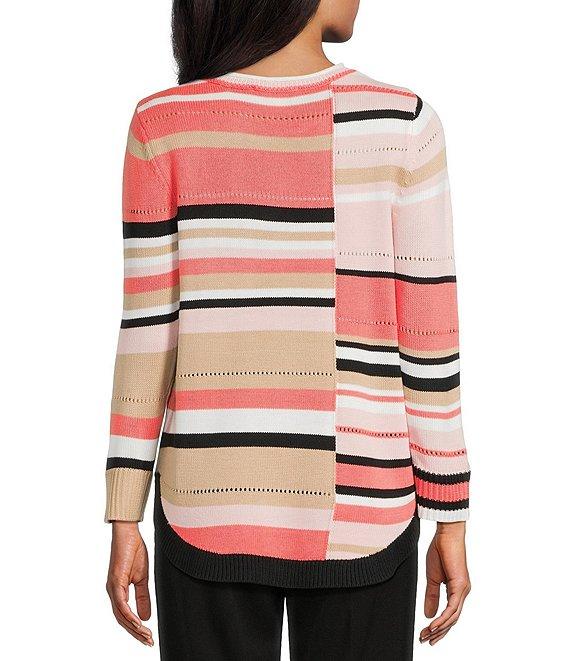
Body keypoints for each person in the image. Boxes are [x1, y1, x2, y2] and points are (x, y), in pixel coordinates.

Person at [104, 1, 471, 658]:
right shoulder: (403, 124)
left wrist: (124, 509)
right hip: (366, 508)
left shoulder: (163, 124)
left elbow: (148, 333)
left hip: (207, 504)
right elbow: (429, 342)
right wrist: (451, 510)